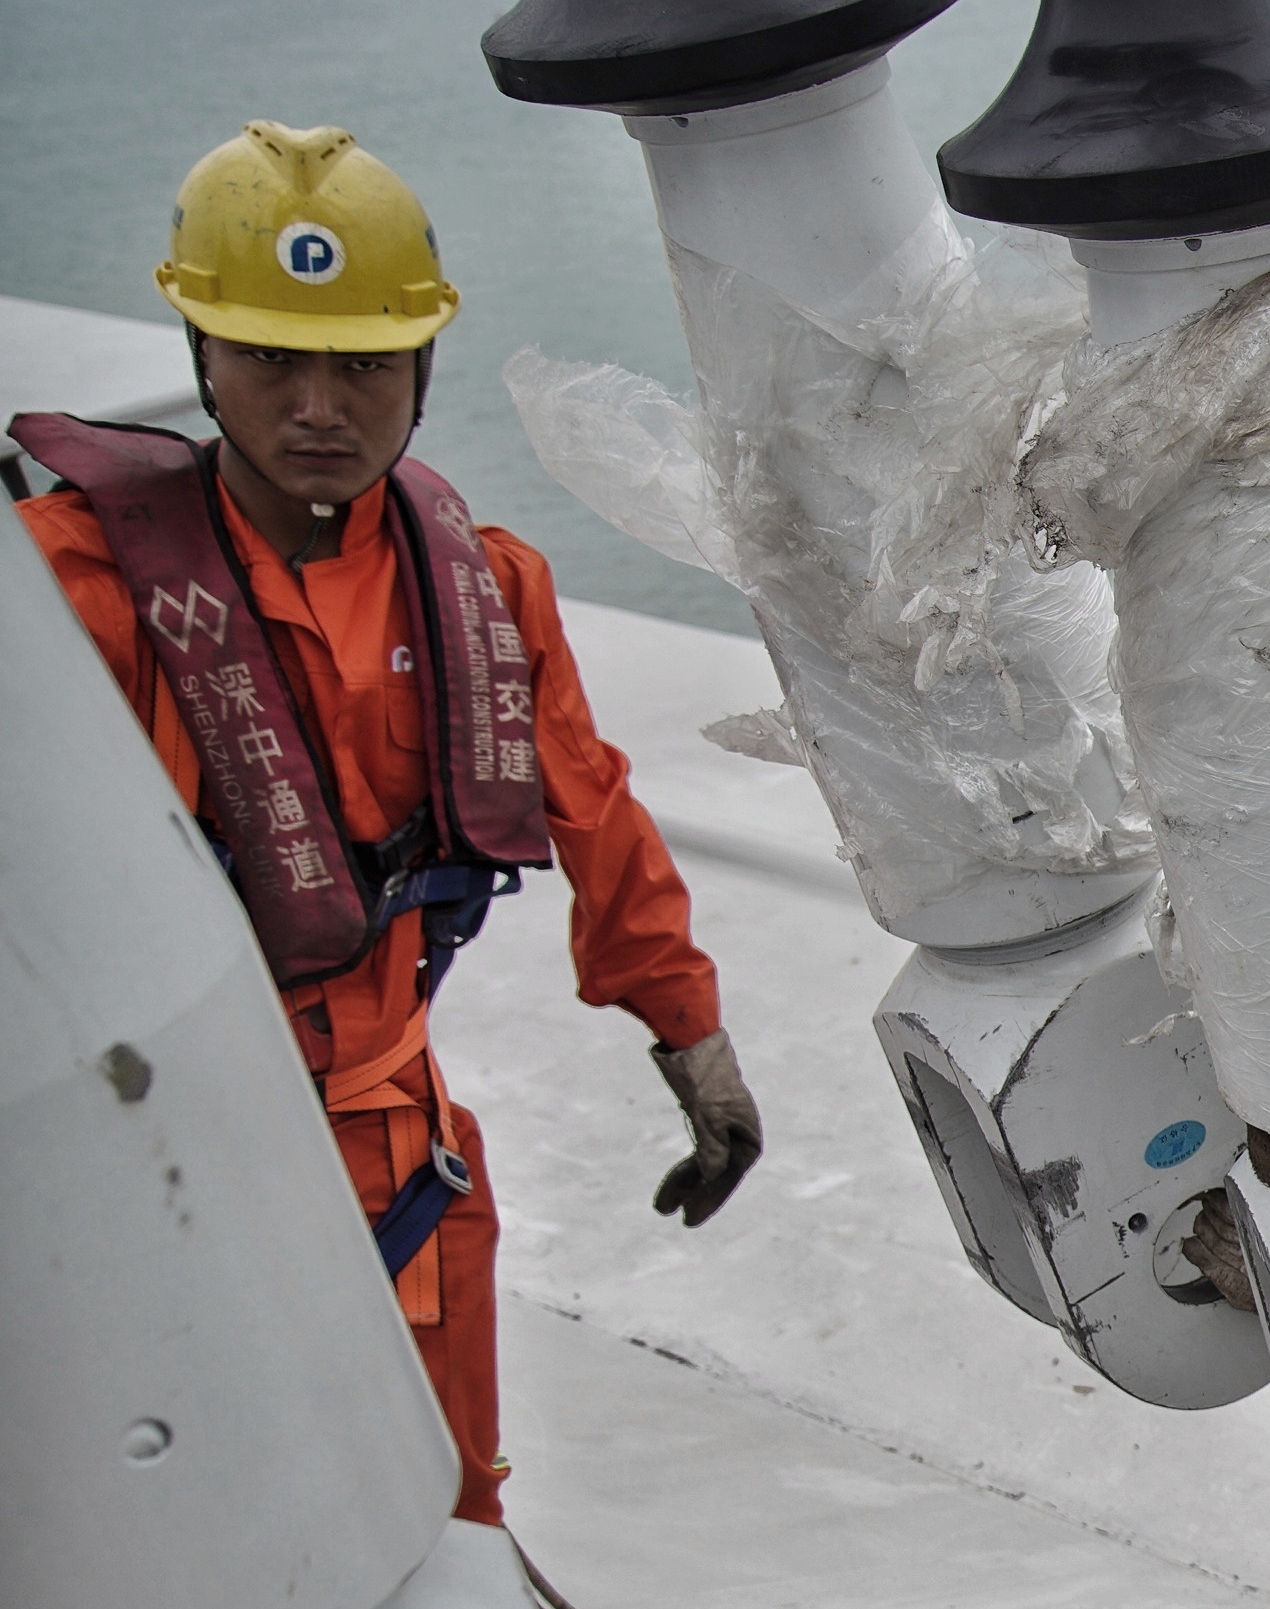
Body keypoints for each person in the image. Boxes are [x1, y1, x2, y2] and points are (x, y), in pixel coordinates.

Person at [12, 122, 755, 1526]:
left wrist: (694, 1041)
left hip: (398, 1162)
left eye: (362, 365)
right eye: (270, 359)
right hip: (162, 1164)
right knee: (192, 1527)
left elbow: (595, 810)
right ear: (202, 357)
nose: (318, 408)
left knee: (447, 1509)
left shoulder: (486, 589)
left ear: (420, 367)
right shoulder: (72, 594)